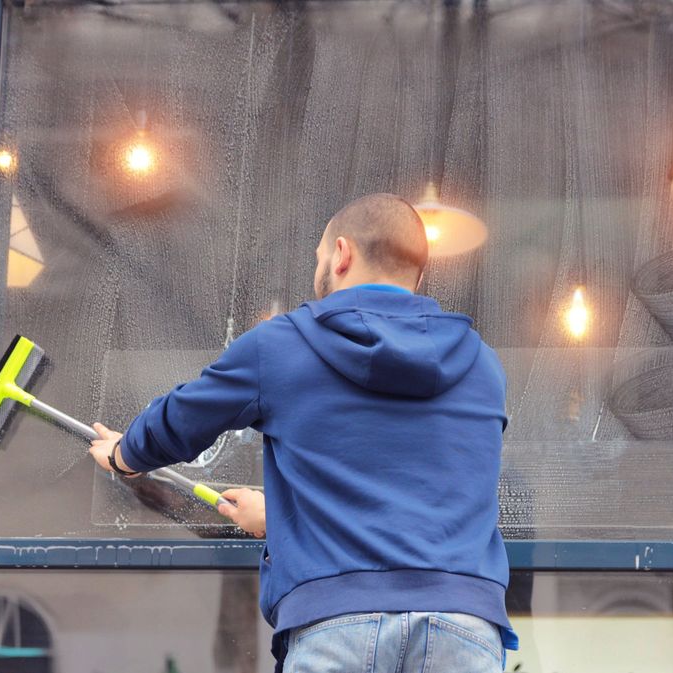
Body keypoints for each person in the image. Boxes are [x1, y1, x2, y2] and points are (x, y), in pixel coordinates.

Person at [89, 193, 519, 672]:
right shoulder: (481, 364)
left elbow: (183, 419)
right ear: (416, 274)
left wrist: (121, 454)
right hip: (464, 625)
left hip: (337, 623)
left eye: (319, 257)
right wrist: (284, 524)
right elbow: (422, 491)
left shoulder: (284, 345)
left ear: (342, 253)